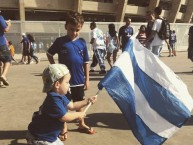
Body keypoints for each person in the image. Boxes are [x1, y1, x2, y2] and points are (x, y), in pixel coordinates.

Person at [47, 11, 95, 140]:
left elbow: (86, 62)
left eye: (77, 30)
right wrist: (55, 68)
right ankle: (63, 128)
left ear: (81, 28)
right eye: (71, 29)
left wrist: (87, 79)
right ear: (66, 27)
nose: (74, 32)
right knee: (64, 105)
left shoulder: (82, 43)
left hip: (79, 80)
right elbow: (49, 54)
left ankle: (81, 123)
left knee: (79, 103)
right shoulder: (60, 41)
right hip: (64, 82)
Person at [26, 64, 97, 145]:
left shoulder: (60, 96)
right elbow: (64, 117)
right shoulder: (53, 99)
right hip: (40, 138)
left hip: (48, 136)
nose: (69, 85)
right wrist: (78, 115)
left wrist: (87, 101)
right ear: (57, 84)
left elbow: (72, 105)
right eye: (67, 82)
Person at [0, 10, 11, 86]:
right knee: (7, 60)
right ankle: (3, 75)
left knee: (0, 64)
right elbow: (6, 29)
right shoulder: (0, 17)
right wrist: (9, 24)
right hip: (1, 43)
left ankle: (0, 82)